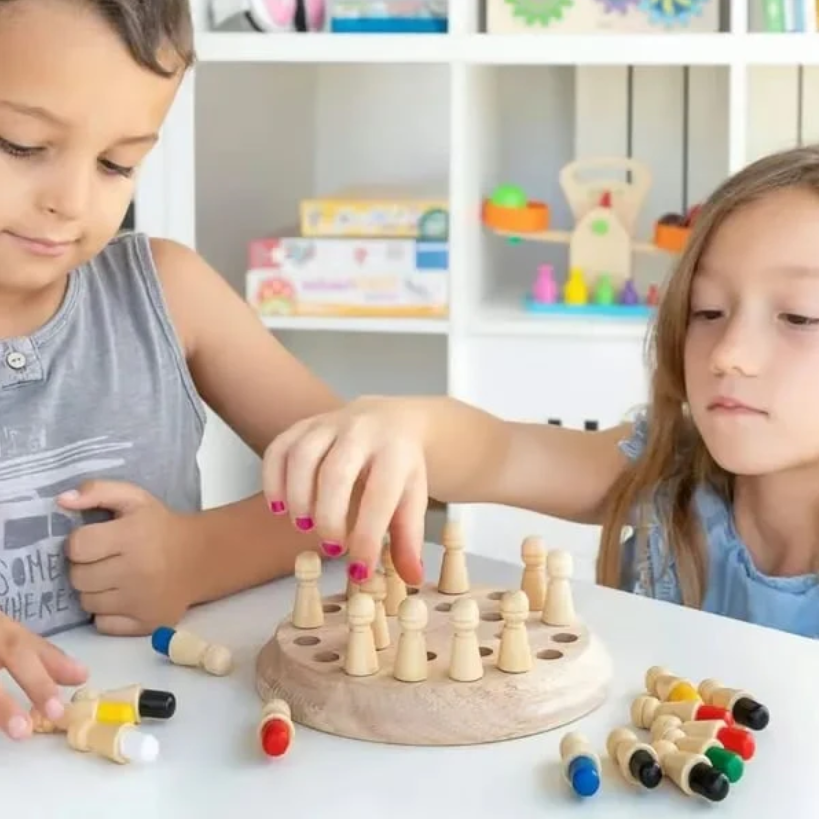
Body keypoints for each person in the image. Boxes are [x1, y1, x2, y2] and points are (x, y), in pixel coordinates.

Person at [264, 143, 819, 644]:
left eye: (799, 315)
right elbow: (502, 454)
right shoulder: (671, 469)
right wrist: (410, 426)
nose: (727, 353)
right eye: (708, 311)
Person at [0, 0, 340, 740]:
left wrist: (197, 557)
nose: (70, 201)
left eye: (117, 163)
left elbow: (357, 483)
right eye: (19, 143)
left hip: (164, 763)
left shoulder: (169, 294)